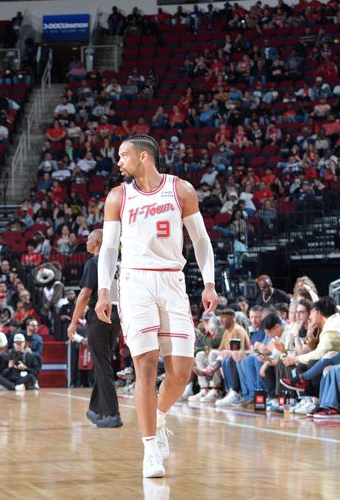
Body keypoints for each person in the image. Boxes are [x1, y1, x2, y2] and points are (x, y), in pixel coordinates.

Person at [95, 134, 218, 478]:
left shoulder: (181, 190)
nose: (119, 162)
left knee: (180, 372)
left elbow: (201, 240)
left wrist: (209, 282)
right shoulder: (118, 196)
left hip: (172, 281)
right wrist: (105, 291)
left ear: (144, 156)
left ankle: (159, 416)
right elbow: (108, 248)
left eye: (123, 155)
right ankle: (150, 449)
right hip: (134, 282)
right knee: (146, 366)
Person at [68, 229, 122, 428]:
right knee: (104, 363)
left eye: (89, 239)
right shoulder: (119, 263)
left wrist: (73, 322)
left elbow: (84, 295)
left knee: (102, 364)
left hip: (99, 315)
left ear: (97, 241)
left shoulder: (94, 262)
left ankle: (112, 414)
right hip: (118, 315)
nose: (86, 243)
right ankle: (95, 409)